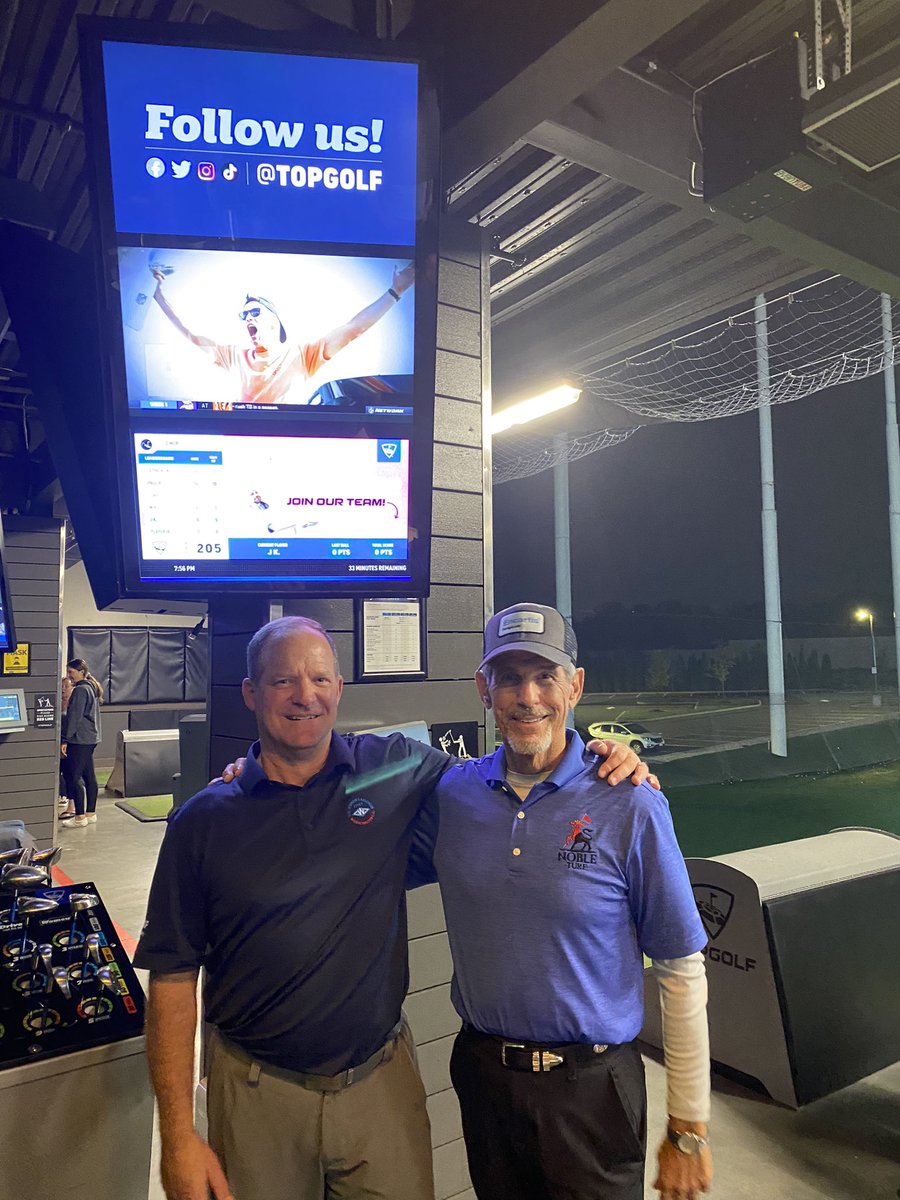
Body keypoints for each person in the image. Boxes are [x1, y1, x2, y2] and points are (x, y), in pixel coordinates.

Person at [135, 615, 652, 1200]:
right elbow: (173, 977)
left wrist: (600, 759)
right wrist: (177, 1136)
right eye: (283, 682)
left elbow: (503, 783)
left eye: (321, 679)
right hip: (258, 1091)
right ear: (252, 694)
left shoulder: (392, 767)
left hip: (379, 1083)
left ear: (339, 688)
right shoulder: (203, 822)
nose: (306, 696)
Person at [415, 603, 712, 1200]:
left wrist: (688, 1126)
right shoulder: (452, 795)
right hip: (485, 1077)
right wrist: (253, 769)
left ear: (575, 686)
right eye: (508, 677)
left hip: (593, 1090)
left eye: (545, 676)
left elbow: (680, 969)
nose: (528, 696)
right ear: (484, 689)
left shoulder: (630, 802)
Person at [151, 262, 415, 406]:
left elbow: (352, 330)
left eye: (254, 312)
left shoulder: (303, 355)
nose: (247, 319)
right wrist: (158, 295)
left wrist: (395, 292)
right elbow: (192, 335)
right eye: (243, 316)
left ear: (274, 319)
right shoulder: (234, 356)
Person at [61, 658, 103, 828]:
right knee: (89, 775)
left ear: (82, 672)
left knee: (74, 776)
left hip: (80, 740)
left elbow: (74, 718)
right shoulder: (91, 688)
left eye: (71, 672)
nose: (68, 676)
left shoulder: (80, 690)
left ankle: (79, 816)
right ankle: (90, 813)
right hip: (91, 738)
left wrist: (65, 739)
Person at [58, 674, 75, 821]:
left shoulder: (74, 704)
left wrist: (66, 742)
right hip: (57, 744)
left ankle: (72, 805)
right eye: (62, 686)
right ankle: (61, 795)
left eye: (67, 686)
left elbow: (71, 726)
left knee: (71, 775)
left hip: (68, 744)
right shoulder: (57, 704)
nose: (63, 690)